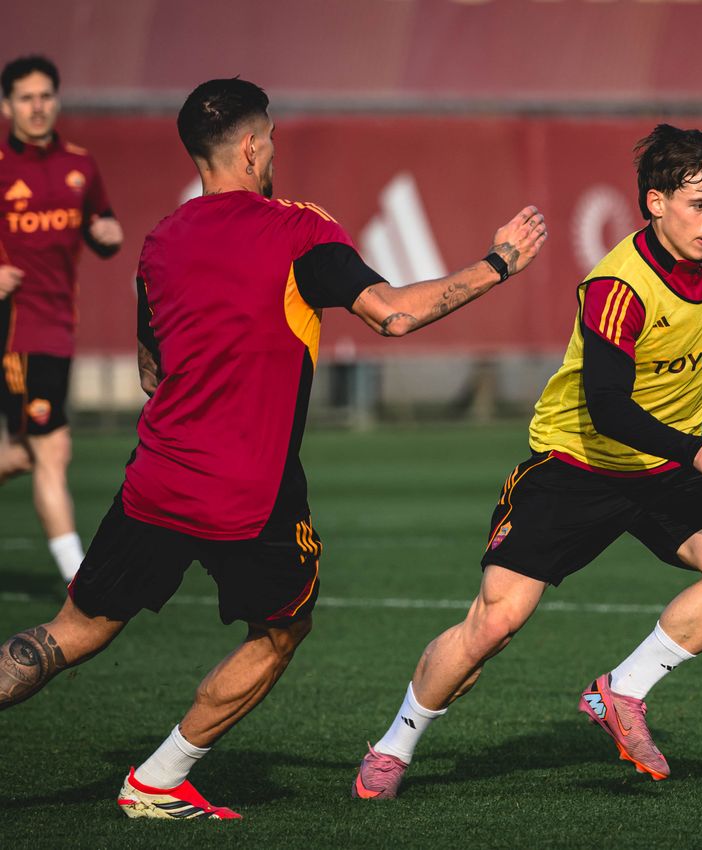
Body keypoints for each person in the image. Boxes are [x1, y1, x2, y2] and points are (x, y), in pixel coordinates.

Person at [0, 77, 547, 821]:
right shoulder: (297, 229)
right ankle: (158, 779)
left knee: (72, 631)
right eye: (273, 142)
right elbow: (391, 315)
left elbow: (150, 371)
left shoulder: (160, 241)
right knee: (282, 628)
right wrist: (500, 262)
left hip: (155, 479)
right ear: (254, 147)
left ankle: (154, 778)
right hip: (249, 493)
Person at [353, 124, 702, 799]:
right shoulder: (617, 285)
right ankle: (395, 744)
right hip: (578, 463)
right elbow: (606, 407)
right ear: (655, 203)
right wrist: (699, 450)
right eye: (698, 205)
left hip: (663, 467)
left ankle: (621, 692)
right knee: (494, 623)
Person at [0, 55, 125, 582]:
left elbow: (102, 222)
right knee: (52, 451)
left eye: (45, 96)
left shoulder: (80, 165)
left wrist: (109, 234)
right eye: (25, 97)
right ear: (7, 105)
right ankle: (80, 582)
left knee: (24, 455)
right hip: (17, 332)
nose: (37, 107)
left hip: (58, 330)